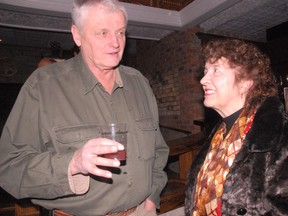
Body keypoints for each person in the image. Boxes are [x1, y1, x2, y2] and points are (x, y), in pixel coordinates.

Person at [0, 1, 169, 216]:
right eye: (103, 33)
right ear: (77, 35)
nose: (115, 43)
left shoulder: (140, 83)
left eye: (120, 33)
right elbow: (9, 168)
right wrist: (72, 164)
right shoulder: (44, 85)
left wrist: (152, 199)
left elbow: (159, 151)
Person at [185, 39, 288, 215]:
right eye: (205, 71)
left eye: (216, 70)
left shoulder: (279, 138)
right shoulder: (219, 133)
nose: (203, 79)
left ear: (245, 83)